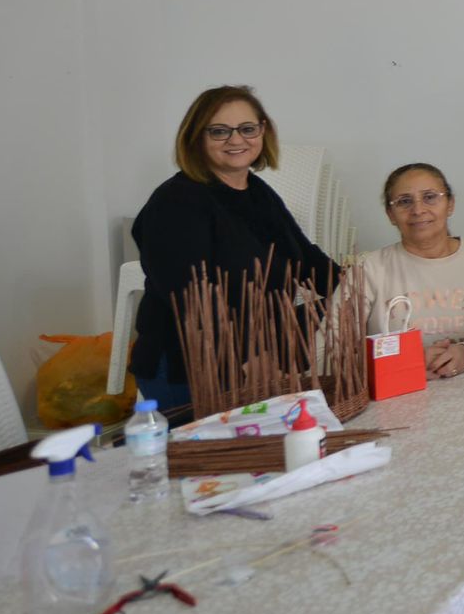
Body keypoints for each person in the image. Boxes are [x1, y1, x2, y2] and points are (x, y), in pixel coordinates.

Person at [129, 86, 340, 410]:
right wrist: (243, 357)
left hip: (256, 348)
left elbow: (304, 258)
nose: (236, 139)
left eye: (247, 128)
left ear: (262, 131)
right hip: (190, 366)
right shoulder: (176, 202)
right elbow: (189, 299)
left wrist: (365, 290)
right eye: (219, 131)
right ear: (196, 137)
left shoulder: (257, 192)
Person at [356, 163, 464, 378]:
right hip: (399, 393)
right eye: (404, 201)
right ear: (390, 214)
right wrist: (407, 361)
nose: (418, 210)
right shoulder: (368, 269)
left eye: (430, 197)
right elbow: (324, 354)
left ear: (450, 204)